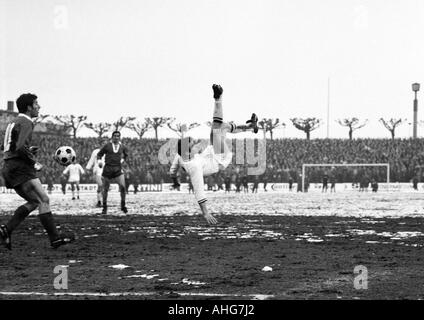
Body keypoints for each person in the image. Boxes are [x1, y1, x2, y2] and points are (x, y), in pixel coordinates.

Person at [169, 84, 259, 224]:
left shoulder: (180, 156)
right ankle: (218, 98)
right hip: (219, 160)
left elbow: (172, 170)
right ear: (188, 150)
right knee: (217, 128)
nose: (195, 143)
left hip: (211, 153)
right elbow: (199, 191)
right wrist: (205, 213)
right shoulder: (194, 167)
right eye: (193, 143)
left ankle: (251, 128)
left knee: (220, 126)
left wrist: (175, 180)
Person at [0, 93, 74, 250]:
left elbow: (8, 146)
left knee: (35, 201)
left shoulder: (13, 121)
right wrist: (34, 162)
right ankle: (55, 239)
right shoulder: (26, 122)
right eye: (36, 104)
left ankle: (6, 230)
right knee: (44, 199)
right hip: (19, 167)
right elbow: (19, 147)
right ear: (29, 107)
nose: (39, 107)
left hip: (8, 166)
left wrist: (28, 150)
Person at [97, 131, 129, 214]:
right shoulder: (107, 146)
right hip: (108, 168)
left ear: (120, 137)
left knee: (122, 187)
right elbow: (99, 154)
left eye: (118, 136)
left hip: (118, 168)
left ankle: (123, 205)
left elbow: (126, 155)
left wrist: (122, 160)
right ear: (112, 137)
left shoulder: (122, 147)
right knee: (105, 189)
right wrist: (99, 161)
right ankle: (104, 207)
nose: (116, 137)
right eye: (114, 136)